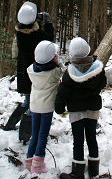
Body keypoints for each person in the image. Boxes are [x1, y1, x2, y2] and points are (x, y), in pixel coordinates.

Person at [55, 37, 107, 179]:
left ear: (72, 55)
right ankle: (94, 170)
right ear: (88, 51)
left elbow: (62, 93)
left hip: (76, 113)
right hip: (93, 110)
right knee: (92, 138)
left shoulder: (69, 73)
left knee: (78, 141)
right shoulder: (98, 69)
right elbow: (103, 83)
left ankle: (77, 172)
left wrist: (59, 108)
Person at [3, 1, 54, 143]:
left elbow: (28, 27)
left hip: (22, 71)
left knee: (27, 100)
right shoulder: (36, 35)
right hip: (34, 72)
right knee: (33, 103)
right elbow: (49, 37)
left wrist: (35, 20)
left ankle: (10, 124)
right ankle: (25, 135)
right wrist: (48, 22)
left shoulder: (19, 31)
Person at [25, 40, 63, 174]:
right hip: (46, 108)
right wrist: (57, 61)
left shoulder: (31, 70)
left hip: (34, 105)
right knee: (42, 135)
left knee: (35, 134)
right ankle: (38, 165)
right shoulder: (54, 72)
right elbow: (62, 70)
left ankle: (29, 159)